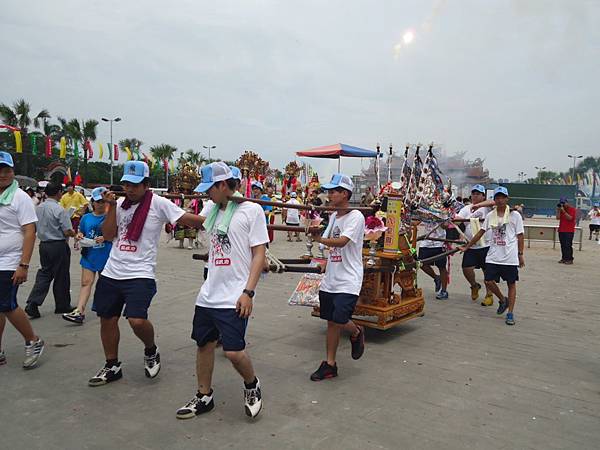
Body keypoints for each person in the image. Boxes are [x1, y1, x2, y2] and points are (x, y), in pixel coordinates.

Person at [87, 161, 204, 387]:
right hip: (113, 271)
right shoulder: (119, 204)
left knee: (137, 320)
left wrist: (220, 223)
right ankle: (112, 364)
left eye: (135, 185)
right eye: (126, 184)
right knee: (107, 319)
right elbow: (109, 235)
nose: (130, 189)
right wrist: (111, 207)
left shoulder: (159, 204)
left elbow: (184, 219)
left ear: (146, 185)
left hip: (140, 272)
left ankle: (151, 349)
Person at [176, 162, 268, 420]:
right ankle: (204, 395)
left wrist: (248, 292)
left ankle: (252, 384)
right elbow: (198, 223)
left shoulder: (252, 211)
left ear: (223, 185)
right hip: (209, 293)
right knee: (204, 344)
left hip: (236, 294)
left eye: (210, 189)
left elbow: (259, 253)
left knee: (233, 352)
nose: (207, 194)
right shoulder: (212, 208)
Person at [309, 173, 365, 381]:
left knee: (339, 318)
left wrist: (319, 237)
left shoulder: (356, 216)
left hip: (348, 278)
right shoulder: (333, 217)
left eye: (334, 191)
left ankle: (356, 332)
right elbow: (327, 245)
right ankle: (330, 364)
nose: (330, 195)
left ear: (345, 193)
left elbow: (342, 241)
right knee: (331, 322)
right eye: (329, 191)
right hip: (331, 277)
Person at [0, 151, 45, 369]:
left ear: (13, 172)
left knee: (7, 305)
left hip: (10, 261)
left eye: (6, 170)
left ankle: (33, 340)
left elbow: (29, 231)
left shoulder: (20, 198)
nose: (2, 174)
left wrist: (23, 264)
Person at [460, 187, 525, 326]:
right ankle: (502, 300)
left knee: (511, 284)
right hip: (493, 255)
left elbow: (520, 236)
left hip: (510, 257)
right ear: (495, 200)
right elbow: (480, 233)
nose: (500, 200)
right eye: (498, 198)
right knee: (488, 281)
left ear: (507, 199)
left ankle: (510, 313)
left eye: (503, 197)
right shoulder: (491, 216)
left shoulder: (515, 216)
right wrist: (467, 246)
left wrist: (520, 254)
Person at [25, 183, 75, 319]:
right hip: (58, 244)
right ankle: (62, 304)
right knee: (61, 275)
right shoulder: (59, 209)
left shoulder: (38, 208)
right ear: (59, 192)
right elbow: (66, 230)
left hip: (44, 244)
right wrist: (73, 233)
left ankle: (33, 302)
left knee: (45, 273)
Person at [62, 187, 112, 325]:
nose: (101, 204)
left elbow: (116, 234)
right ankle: (79, 311)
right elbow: (81, 232)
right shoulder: (86, 218)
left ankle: (107, 308)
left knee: (105, 284)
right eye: (98, 201)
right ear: (93, 203)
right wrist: (79, 236)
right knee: (86, 283)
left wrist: (106, 237)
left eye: (103, 201)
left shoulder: (111, 217)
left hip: (106, 255)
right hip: (89, 255)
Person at [456, 185, 494, 306]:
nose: (475, 196)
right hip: (471, 245)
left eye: (478, 194)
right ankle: (474, 286)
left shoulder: (488, 208)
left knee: (487, 273)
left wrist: (479, 205)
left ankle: (489, 295)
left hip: (486, 245)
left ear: (483, 196)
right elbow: (457, 219)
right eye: (473, 194)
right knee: (466, 269)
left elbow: (493, 202)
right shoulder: (466, 208)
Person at [418, 221, 449, 300]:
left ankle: (444, 291)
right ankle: (436, 277)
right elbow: (416, 221)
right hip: (426, 243)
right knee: (421, 263)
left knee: (442, 267)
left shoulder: (444, 210)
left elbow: (445, 225)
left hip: (439, 243)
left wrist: (440, 218)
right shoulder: (425, 209)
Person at [556, 196, 576, 265]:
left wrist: (563, 211)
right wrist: (558, 210)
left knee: (568, 245)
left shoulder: (572, 209)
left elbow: (570, 218)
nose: (563, 205)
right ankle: (564, 258)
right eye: (561, 203)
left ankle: (570, 259)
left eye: (564, 203)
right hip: (561, 230)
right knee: (563, 245)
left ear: (567, 202)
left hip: (569, 231)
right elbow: (557, 218)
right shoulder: (561, 209)